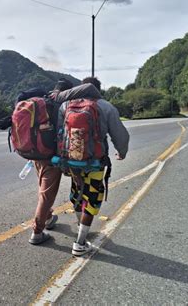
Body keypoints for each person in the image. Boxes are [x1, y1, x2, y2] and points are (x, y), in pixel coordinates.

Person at [60, 76, 129, 256]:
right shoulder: (106, 107)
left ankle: (81, 228)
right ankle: (80, 242)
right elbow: (120, 134)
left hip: (72, 162)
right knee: (91, 198)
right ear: (98, 90)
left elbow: (60, 133)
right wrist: (122, 151)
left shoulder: (66, 106)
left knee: (77, 193)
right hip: (95, 163)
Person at [29, 79, 102, 245]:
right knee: (47, 195)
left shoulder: (43, 98)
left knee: (43, 189)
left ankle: (47, 218)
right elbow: (90, 87)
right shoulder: (61, 98)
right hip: (50, 156)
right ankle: (37, 232)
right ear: (69, 91)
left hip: (35, 152)